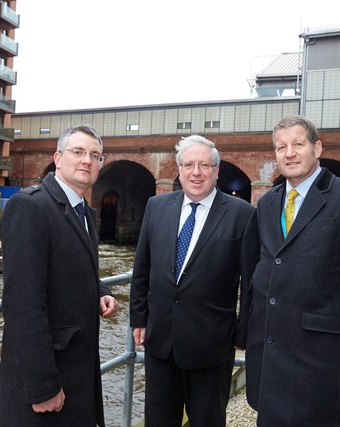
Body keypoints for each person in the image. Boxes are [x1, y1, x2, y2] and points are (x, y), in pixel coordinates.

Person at [243, 115, 340, 426]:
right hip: (270, 362)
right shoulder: (269, 204)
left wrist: (337, 324)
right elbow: (266, 265)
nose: (289, 153)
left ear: (317, 147)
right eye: (281, 147)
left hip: (320, 363)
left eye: (298, 144)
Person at [0, 125, 118, 426]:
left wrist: (100, 290)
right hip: (47, 386)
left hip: (77, 377)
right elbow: (22, 303)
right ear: (58, 158)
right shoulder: (30, 207)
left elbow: (68, 267)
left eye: (95, 155)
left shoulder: (84, 211)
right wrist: (42, 386)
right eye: (78, 152)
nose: (87, 160)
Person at [130, 134, 258, 427]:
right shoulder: (156, 206)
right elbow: (142, 269)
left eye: (204, 165)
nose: (196, 172)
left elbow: (250, 281)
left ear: (216, 170)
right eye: (189, 165)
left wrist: (243, 332)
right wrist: (139, 318)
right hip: (160, 342)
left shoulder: (242, 214)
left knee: (207, 421)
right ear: (179, 169)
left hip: (211, 346)